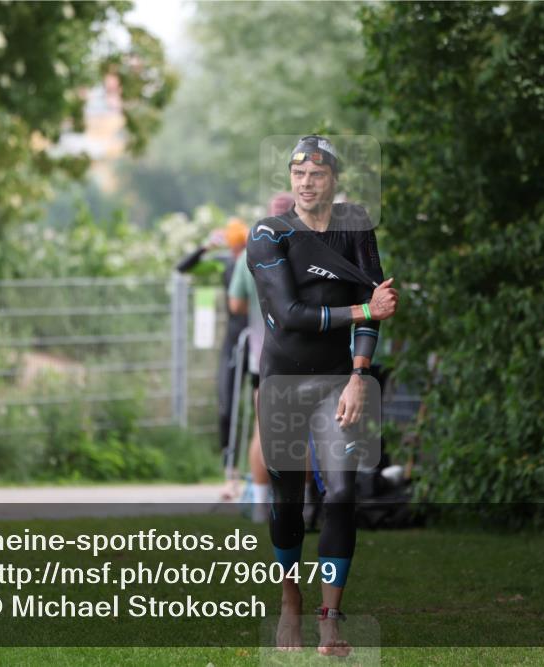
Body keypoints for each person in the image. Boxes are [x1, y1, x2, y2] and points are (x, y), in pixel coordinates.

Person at [247, 135, 399, 655]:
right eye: (298, 175)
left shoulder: (355, 227)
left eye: (317, 175)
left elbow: (372, 298)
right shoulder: (269, 233)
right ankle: (289, 595)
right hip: (284, 383)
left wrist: (360, 375)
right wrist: (365, 312)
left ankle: (330, 617)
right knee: (288, 504)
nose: (306, 183)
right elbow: (291, 315)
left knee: (341, 493)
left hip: (338, 382)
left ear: (333, 179)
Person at [226, 193, 294, 515]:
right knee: (301, 428)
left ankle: (259, 506)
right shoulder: (307, 250)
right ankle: (303, 508)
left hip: (261, 355)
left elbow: (235, 304)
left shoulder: (249, 253)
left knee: (262, 428)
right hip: (301, 353)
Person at [176, 218, 250, 464]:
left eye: (239, 246)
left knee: (265, 404)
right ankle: (228, 461)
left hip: (259, 337)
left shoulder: (259, 262)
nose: (236, 251)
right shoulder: (224, 264)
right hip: (233, 339)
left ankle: (262, 464)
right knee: (226, 403)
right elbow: (184, 267)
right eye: (234, 246)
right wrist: (206, 247)